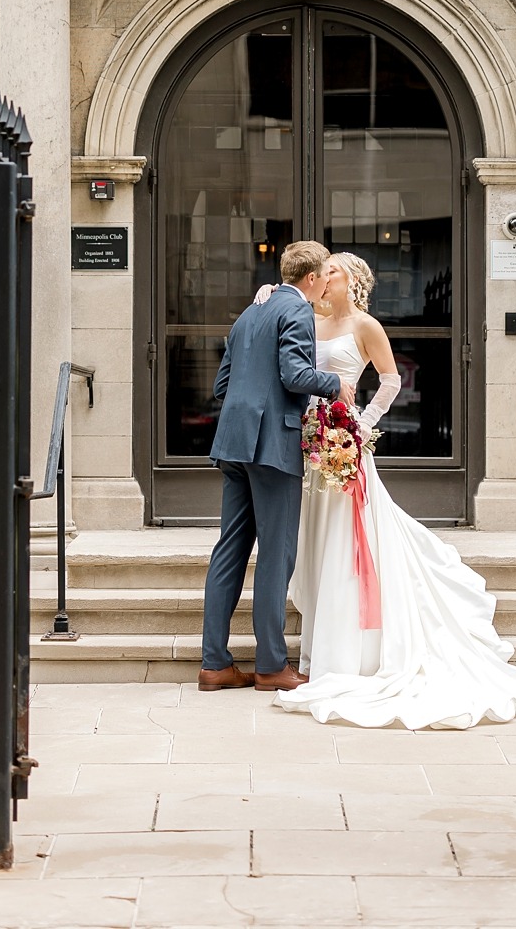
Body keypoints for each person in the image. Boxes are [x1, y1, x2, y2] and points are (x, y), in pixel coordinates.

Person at [274, 252, 516, 730]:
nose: (324, 276)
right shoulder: (307, 318)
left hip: (343, 443)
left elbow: (389, 380)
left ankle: (348, 655)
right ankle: (318, 647)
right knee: (316, 543)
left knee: (346, 544)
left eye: (333, 270)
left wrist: (360, 425)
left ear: (352, 280)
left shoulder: (365, 326)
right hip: (308, 447)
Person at [198, 240, 357, 694]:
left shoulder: (251, 312)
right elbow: (294, 375)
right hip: (272, 449)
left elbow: (222, 383)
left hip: (233, 444)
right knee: (275, 554)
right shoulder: (298, 311)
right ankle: (270, 666)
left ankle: (215, 664)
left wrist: (250, 412)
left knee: (229, 549)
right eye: (326, 274)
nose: (329, 281)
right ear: (310, 279)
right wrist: (336, 383)